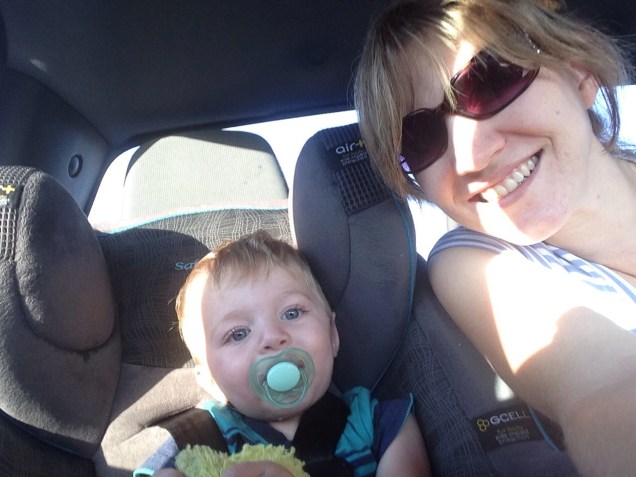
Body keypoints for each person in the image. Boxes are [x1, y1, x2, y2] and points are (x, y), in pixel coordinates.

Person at [354, 0, 636, 475]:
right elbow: (604, 391)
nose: (472, 157)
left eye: (489, 80)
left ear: (579, 70)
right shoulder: (474, 266)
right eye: (419, 137)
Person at [136, 230, 430, 477]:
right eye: (238, 334)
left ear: (332, 334)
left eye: (292, 313)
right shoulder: (195, 440)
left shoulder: (381, 424)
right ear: (210, 380)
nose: (273, 337)